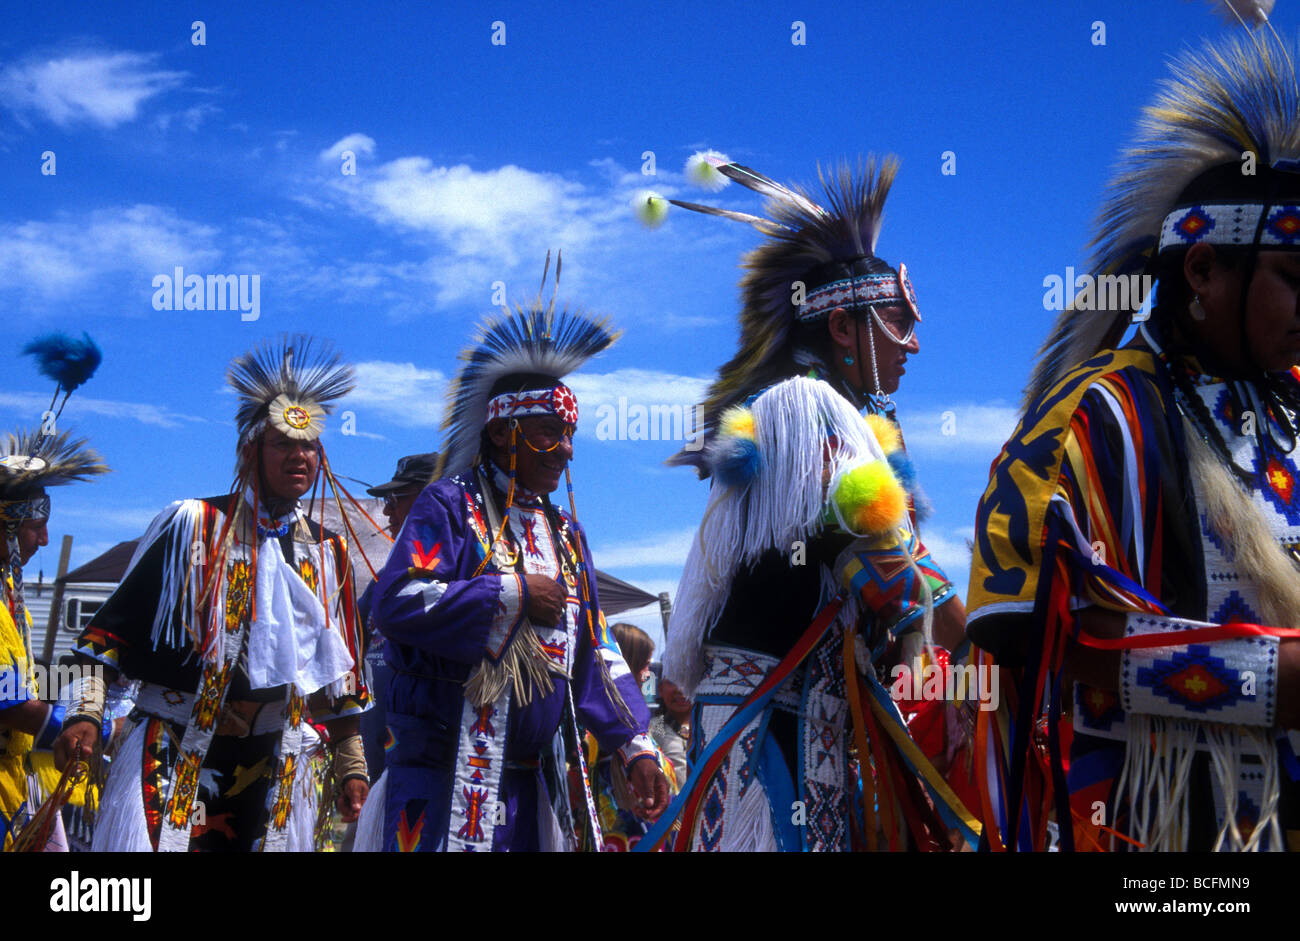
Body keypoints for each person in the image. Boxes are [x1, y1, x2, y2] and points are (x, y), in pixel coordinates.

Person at [967, 33, 1300, 851]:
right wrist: (1270, 683)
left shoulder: (1290, 412)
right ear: (1202, 273)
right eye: (1296, 279)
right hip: (1158, 827)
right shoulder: (1096, 415)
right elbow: (1035, 626)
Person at [646, 153, 978, 852]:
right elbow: (884, 555)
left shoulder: (846, 422)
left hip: (801, 706)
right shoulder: (807, 407)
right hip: (768, 709)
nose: (914, 342)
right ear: (841, 326)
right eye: (898, 320)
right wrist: (976, 652)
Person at [371, 261, 669, 851]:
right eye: (547, 432)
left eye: (569, 435)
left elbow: (595, 648)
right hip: (443, 778)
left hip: (533, 786)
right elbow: (397, 601)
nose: (564, 451)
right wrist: (509, 595)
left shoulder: (565, 535)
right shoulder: (447, 507)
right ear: (504, 431)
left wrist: (634, 745)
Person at [59, 336, 372, 852]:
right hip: (177, 746)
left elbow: (341, 679)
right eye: (283, 443)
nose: (300, 456)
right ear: (250, 451)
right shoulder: (192, 527)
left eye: (310, 445)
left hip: (277, 759)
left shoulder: (325, 552)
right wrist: (87, 712)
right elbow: (107, 637)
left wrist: (351, 761)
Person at [0, 428, 107, 850]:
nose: (44, 540)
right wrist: (79, 725)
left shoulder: (12, 603)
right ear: (6, 527)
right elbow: (4, 696)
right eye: (36, 527)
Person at [358, 452, 439, 779]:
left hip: (428, 771)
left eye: (395, 498)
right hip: (376, 772)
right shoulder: (381, 584)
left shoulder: (465, 579)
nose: (387, 510)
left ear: (431, 499)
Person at [650, 675, 690, 787]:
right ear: (660, 689)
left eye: (689, 681)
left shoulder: (711, 729)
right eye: (672, 682)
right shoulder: (651, 730)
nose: (680, 689)